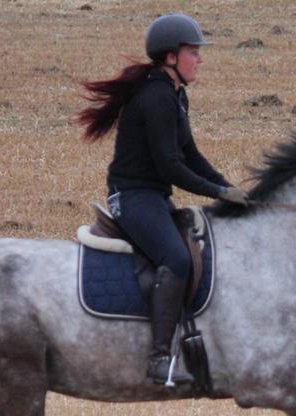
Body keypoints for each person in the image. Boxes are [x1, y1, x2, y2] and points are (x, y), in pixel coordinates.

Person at [77, 12, 248, 386]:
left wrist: (231, 190)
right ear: (171, 57)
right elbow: (170, 166)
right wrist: (216, 192)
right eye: (193, 52)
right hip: (133, 198)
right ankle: (158, 359)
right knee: (175, 257)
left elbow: (191, 155)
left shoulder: (175, 95)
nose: (200, 58)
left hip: (153, 197)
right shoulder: (155, 98)